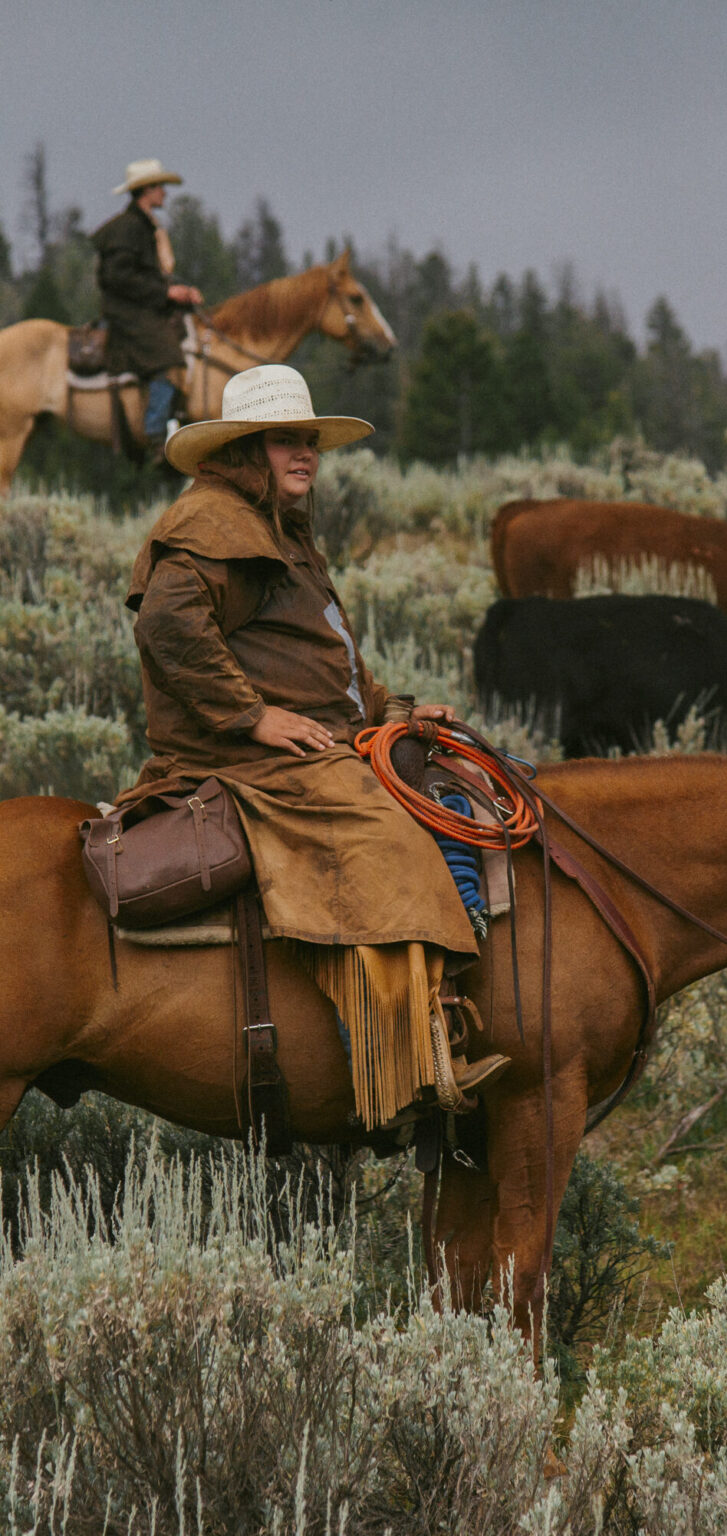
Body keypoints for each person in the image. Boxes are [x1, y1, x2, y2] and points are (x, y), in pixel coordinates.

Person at [120, 363, 509, 1128]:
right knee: (382, 839)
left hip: (311, 738)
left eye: (309, 440)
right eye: (283, 440)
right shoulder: (210, 521)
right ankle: (402, 1066)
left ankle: (452, 986)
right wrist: (251, 717)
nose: (305, 453)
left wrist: (394, 711)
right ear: (242, 452)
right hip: (242, 759)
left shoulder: (277, 527)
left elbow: (318, 654)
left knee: (463, 775)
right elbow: (166, 625)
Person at [90, 157, 204, 453]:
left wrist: (178, 291)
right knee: (169, 358)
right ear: (146, 190)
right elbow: (117, 277)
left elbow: (143, 275)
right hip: (126, 313)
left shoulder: (141, 225)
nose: (165, 192)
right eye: (160, 186)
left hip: (140, 307)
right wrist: (166, 293)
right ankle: (155, 432)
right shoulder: (128, 228)